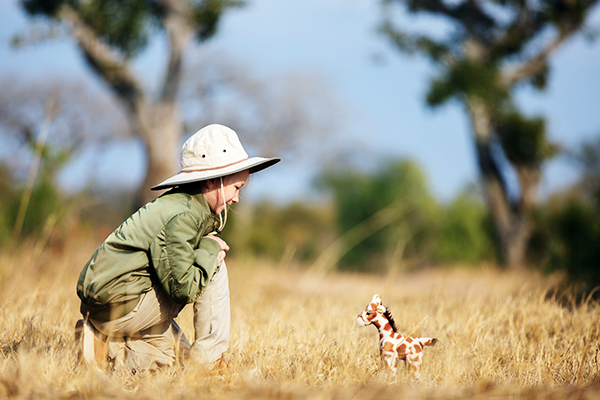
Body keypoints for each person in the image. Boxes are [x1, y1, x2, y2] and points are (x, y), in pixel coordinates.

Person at [75, 124, 280, 372]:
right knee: (214, 263)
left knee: (177, 362)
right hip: (121, 305)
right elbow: (182, 288)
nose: (236, 198)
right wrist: (210, 250)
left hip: (109, 307)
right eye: (236, 188)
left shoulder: (182, 206)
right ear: (213, 181)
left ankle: (98, 345)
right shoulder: (182, 216)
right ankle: (211, 361)